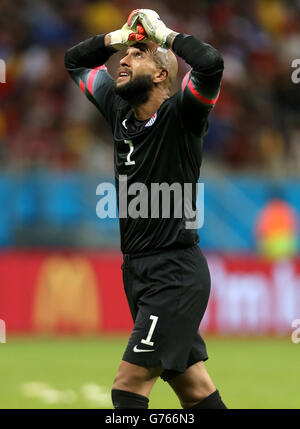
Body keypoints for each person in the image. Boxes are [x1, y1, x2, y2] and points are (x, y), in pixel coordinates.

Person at [65, 9, 226, 409]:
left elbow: (210, 64)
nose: (123, 59)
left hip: (174, 275)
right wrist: (116, 37)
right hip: (137, 272)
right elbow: (74, 60)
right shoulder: (118, 110)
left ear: (160, 75)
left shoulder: (184, 115)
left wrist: (164, 35)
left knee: (128, 387)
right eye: (125, 54)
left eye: (136, 55)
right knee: (194, 389)